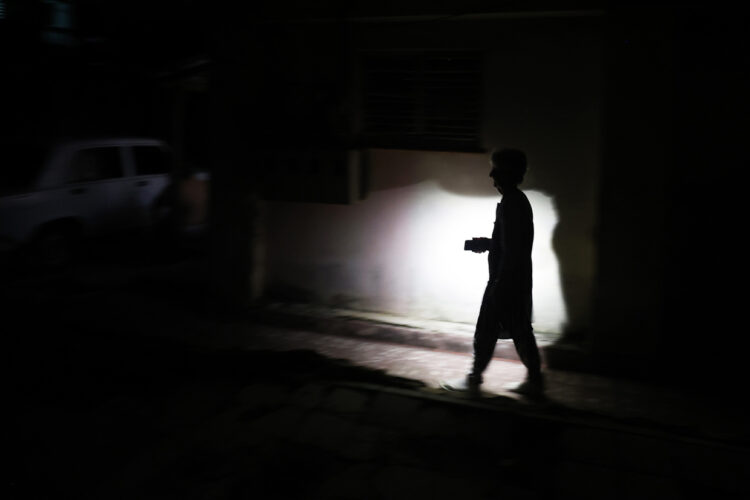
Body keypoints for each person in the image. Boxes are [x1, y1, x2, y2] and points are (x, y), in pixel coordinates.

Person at [441, 149, 544, 397]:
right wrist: (488, 244)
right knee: (519, 330)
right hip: (513, 280)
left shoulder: (512, 204)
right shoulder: (515, 201)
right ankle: (534, 381)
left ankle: (475, 378)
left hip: (505, 280)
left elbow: (513, 252)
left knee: (487, 330)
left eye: (496, 169)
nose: (491, 174)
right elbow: (511, 244)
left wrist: (499, 285)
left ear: (508, 173)